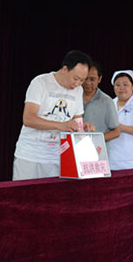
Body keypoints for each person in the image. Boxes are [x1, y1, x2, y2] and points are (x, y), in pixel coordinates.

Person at [12, 50, 95, 181]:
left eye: (82, 80)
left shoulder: (78, 91)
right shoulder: (41, 82)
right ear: (64, 69)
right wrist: (60, 125)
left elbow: (77, 120)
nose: (78, 83)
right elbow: (28, 119)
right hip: (30, 154)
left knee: (53, 193)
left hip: (58, 155)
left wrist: (83, 127)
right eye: (76, 78)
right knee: (25, 193)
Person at [81, 61, 120, 142]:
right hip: (72, 146)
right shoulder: (72, 97)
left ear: (99, 79)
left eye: (92, 79)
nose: (88, 82)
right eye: (85, 78)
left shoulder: (107, 101)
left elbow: (116, 132)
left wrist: (96, 140)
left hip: (96, 147)